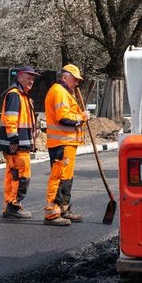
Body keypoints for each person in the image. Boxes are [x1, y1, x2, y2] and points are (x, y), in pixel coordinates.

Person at [43, 64, 90, 226]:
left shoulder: (66, 93)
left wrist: (80, 115)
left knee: (67, 177)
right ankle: (52, 212)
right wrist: (82, 117)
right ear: (65, 77)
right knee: (58, 176)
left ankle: (63, 207)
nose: (77, 83)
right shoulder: (59, 91)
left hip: (67, 143)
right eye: (75, 80)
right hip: (61, 143)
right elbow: (64, 118)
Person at [0, 65, 40, 219]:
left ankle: (11, 204)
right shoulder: (15, 95)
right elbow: (11, 118)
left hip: (18, 142)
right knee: (21, 174)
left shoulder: (22, 96)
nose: (31, 81)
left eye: (33, 79)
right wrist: (14, 139)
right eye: (28, 78)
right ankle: (13, 205)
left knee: (13, 174)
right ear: (20, 76)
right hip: (16, 144)